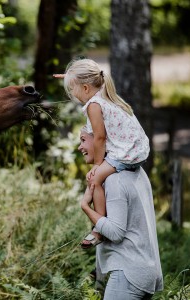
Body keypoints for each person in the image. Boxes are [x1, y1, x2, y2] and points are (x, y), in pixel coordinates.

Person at [54, 58, 150, 248]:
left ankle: (99, 229)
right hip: (135, 149)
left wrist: (98, 165)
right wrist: (72, 77)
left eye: (72, 89)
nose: (72, 94)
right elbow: (86, 80)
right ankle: (101, 223)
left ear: (86, 88)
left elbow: (99, 138)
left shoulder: (93, 105)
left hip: (125, 153)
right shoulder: (104, 95)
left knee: (95, 179)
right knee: (96, 177)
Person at [78, 127, 163, 299]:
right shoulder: (136, 171)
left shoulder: (115, 181)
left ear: (99, 141)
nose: (79, 147)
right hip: (142, 272)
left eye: (83, 140)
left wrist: (86, 207)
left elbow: (116, 233)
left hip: (128, 276)